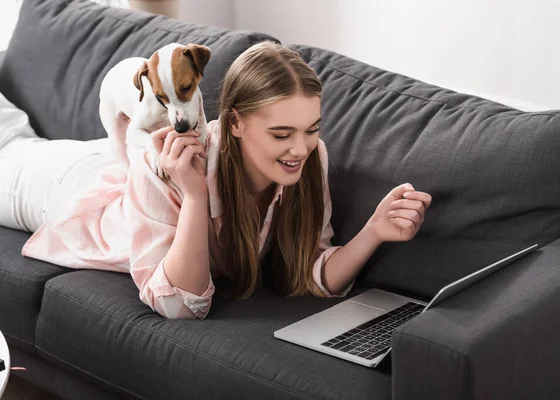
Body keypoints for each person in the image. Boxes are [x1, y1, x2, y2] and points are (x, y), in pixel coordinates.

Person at [0, 41, 432, 320]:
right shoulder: (170, 163)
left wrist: (374, 231)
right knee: (11, 141)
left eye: (312, 129)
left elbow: (312, 271)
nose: (300, 148)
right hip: (72, 190)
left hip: (116, 167)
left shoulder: (307, 158)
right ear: (236, 124)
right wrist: (193, 195)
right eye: (281, 134)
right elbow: (178, 304)